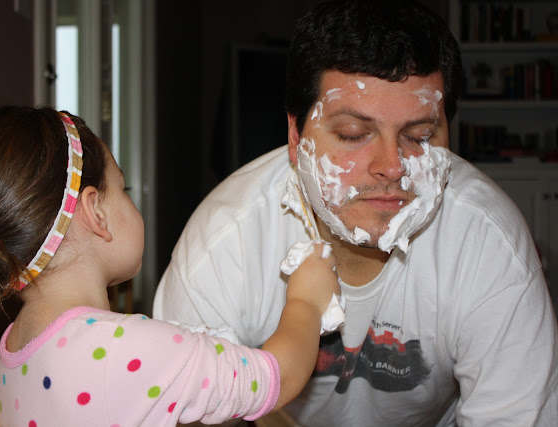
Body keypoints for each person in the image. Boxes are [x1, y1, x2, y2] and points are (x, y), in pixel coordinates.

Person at [153, 0, 558, 425]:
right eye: (353, 134)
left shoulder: (488, 242)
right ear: (295, 136)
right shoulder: (226, 240)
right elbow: (176, 411)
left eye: (420, 135)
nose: (392, 166)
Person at [0, 106, 341, 426]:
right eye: (123, 188)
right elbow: (275, 379)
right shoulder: (133, 350)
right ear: (95, 212)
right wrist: (305, 302)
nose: (129, 198)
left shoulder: (13, 350)